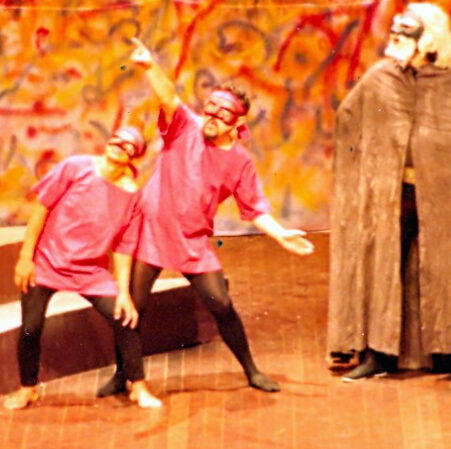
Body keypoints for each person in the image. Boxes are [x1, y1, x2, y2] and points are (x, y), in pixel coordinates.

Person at [97, 38, 314, 397]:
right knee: (132, 308)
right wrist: (150, 66)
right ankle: (125, 373)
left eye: (221, 114)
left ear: (237, 122)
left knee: (221, 303)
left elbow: (255, 208)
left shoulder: (240, 161)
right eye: (210, 109)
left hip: (192, 240)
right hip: (151, 231)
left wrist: (280, 235)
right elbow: (168, 97)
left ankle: (251, 369)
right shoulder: (185, 126)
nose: (211, 118)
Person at [328, 3, 451, 381]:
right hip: (393, 193)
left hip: (446, 197)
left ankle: (448, 351)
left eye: (407, 34)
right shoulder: (381, 79)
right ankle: (379, 355)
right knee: (383, 267)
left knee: (446, 268)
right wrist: (366, 172)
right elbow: (349, 121)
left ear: (429, 42)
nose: (397, 40)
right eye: (396, 33)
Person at [5, 126, 161, 409]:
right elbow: (41, 208)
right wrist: (26, 258)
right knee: (30, 326)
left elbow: (124, 247)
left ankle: (138, 386)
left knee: (124, 318)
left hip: (90, 271)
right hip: (47, 262)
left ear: (133, 157)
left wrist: (123, 292)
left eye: (127, 145)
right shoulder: (75, 167)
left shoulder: (132, 195)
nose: (119, 146)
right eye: (117, 140)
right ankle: (27, 388)